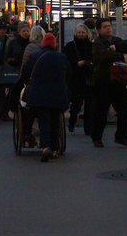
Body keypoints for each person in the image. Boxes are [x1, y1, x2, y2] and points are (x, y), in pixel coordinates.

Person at [20, 33, 70, 162]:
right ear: (54, 44)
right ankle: (54, 148)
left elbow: (25, 73)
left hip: (39, 95)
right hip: (58, 94)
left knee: (44, 120)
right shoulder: (62, 57)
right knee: (55, 120)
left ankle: (46, 146)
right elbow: (69, 75)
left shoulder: (34, 56)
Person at [88, 19, 127, 148]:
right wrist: (120, 55)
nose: (108, 29)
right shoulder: (97, 43)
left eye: (109, 26)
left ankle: (121, 136)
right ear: (99, 30)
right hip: (103, 81)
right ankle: (97, 137)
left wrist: (116, 48)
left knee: (123, 112)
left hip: (118, 81)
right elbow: (103, 56)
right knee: (101, 112)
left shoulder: (116, 40)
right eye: (105, 27)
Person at [63, 23, 93, 132]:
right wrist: (76, 63)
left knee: (89, 104)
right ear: (75, 33)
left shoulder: (91, 46)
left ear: (86, 33)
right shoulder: (70, 46)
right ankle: (72, 122)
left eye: (83, 32)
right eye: (79, 32)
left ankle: (88, 127)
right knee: (76, 103)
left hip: (88, 76)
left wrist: (87, 63)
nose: (81, 34)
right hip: (75, 78)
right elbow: (66, 61)